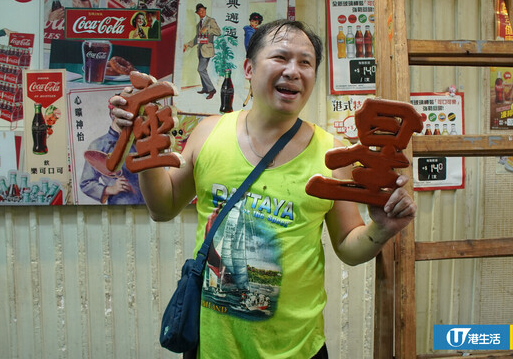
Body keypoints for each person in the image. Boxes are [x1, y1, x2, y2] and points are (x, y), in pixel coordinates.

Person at [110, 19, 416, 359]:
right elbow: (162, 207)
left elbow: (347, 246)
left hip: (297, 350)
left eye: (305, 62)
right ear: (248, 69)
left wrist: (381, 228)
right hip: (211, 348)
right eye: (280, 57)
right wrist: (144, 144)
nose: (293, 71)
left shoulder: (333, 154)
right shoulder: (208, 133)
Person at [79, 101, 144, 205]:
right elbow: (86, 183)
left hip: (149, 205)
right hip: (120, 207)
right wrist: (111, 189)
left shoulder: (141, 142)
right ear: (112, 114)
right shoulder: (98, 145)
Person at [183, 3, 221, 100]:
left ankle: (211, 89)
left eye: (204, 9)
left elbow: (218, 32)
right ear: (197, 13)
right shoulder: (198, 25)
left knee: (201, 69)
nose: (202, 11)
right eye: (200, 10)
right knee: (202, 69)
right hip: (200, 49)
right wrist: (188, 44)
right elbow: (197, 38)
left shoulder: (210, 20)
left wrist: (207, 30)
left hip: (207, 49)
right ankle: (205, 88)